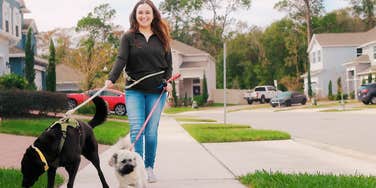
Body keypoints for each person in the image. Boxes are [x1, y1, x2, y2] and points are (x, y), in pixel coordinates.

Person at [105, 0, 172, 183]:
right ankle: (139, 169)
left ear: (153, 15)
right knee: (136, 130)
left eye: (147, 13)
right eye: (140, 12)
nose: (143, 16)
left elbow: (168, 65)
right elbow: (121, 59)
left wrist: (168, 82)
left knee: (151, 133)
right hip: (134, 90)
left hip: (157, 91)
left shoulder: (162, 37)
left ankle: (149, 167)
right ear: (135, 15)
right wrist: (111, 78)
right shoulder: (128, 37)